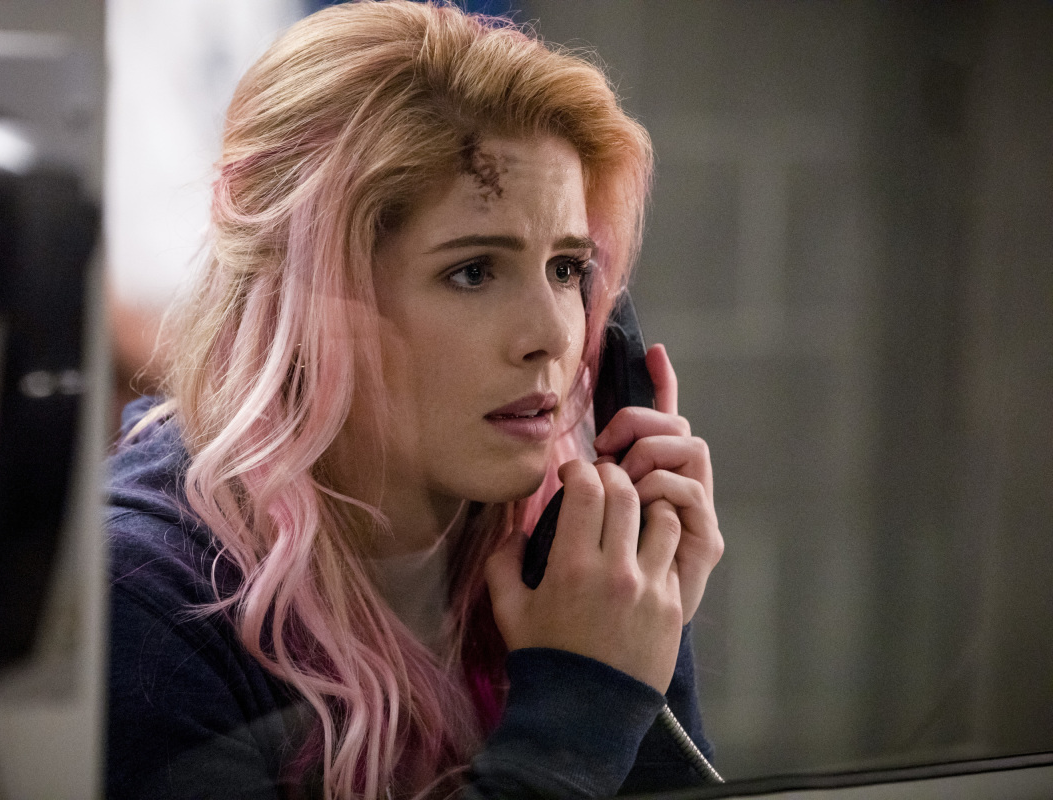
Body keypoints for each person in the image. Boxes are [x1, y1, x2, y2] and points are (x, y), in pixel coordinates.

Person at [105, 1, 725, 797]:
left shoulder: (561, 567)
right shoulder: (147, 606)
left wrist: (645, 636)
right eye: (473, 271)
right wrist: (583, 708)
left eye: (568, 268)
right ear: (313, 300)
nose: (552, 336)